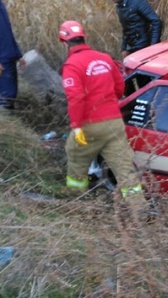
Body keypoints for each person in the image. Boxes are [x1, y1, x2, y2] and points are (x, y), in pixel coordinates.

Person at [58, 20, 147, 219]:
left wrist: (76, 126)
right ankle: (139, 210)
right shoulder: (104, 58)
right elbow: (120, 89)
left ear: (64, 42)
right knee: (124, 169)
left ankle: (75, 200)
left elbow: (76, 98)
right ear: (84, 37)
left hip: (90, 125)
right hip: (114, 123)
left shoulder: (72, 65)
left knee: (75, 156)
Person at [0, 0, 26, 110]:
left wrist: (18, 55)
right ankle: (3, 123)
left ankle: (10, 121)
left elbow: (7, 32)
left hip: (9, 57)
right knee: (6, 96)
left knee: (11, 95)